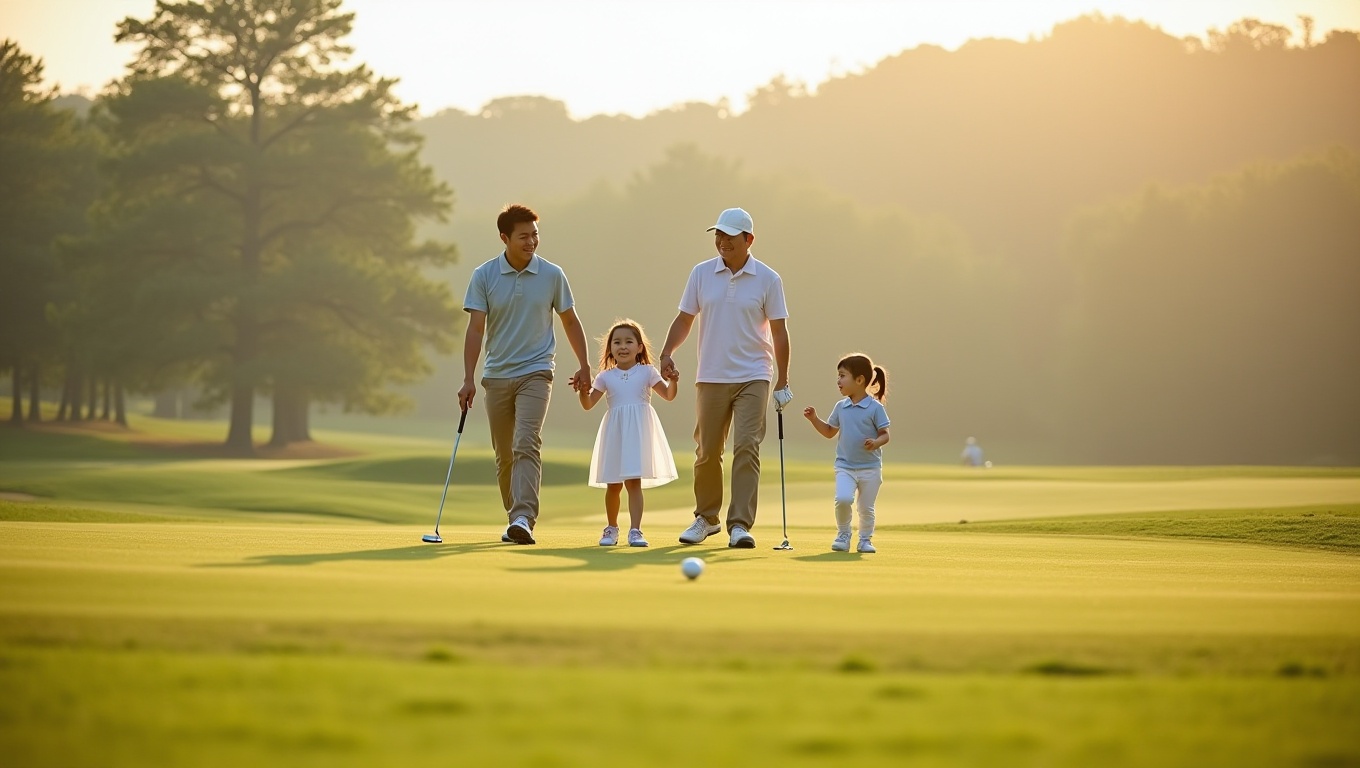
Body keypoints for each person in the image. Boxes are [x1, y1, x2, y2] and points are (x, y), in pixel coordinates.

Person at [659, 207, 792, 549]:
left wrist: (783, 379)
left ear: (749, 240)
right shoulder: (702, 274)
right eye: (718, 235)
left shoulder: (768, 279)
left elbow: (779, 332)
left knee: (746, 447)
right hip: (711, 374)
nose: (722, 242)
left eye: (730, 237)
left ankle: (739, 525)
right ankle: (706, 518)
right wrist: (667, 352)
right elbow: (685, 319)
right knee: (707, 451)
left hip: (754, 375)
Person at [459, 204, 591, 545]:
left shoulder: (552, 274)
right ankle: (514, 517)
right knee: (505, 455)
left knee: (526, 442)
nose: (531, 241)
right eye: (523, 236)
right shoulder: (484, 275)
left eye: (535, 234)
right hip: (496, 375)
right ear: (504, 238)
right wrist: (468, 379)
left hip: (536, 371)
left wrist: (584, 364)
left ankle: (523, 516)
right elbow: (475, 330)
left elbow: (570, 321)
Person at [579, 319, 680, 547]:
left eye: (628, 342)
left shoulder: (647, 372)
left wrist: (673, 382)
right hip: (615, 432)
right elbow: (588, 404)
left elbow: (668, 395)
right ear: (610, 348)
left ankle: (635, 530)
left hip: (638, 431)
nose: (622, 347)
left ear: (639, 347)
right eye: (616, 342)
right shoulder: (605, 376)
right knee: (613, 484)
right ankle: (611, 528)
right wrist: (582, 391)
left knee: (633, 482)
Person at [802, 354, 891, 553]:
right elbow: (829, 432)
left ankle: (865, 540)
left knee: (865, 508)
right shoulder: (841, 407)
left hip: (870, 468)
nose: (838, 381)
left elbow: (885, 435)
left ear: (859, 380)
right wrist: (814, 419)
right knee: (843, 499)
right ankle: (843, 535)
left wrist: (876, 442)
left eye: (843, 376)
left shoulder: (875, 408)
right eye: (838, 376)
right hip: (845, 466)